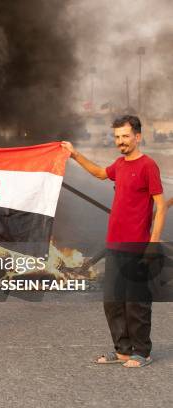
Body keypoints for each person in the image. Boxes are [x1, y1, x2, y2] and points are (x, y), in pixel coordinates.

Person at [62, 115, 167, 368]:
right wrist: (75, 155)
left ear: (137, 137)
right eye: (118, 137)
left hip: (137, 246)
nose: (121, 141)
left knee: (136, 303)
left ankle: (142, 352)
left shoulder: (148, 165)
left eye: (125, 136)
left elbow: (161, 206)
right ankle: (122, 350)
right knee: (112, 301)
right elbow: (99, 173)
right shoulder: (119, 164)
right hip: (115, 245)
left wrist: (152, 245)